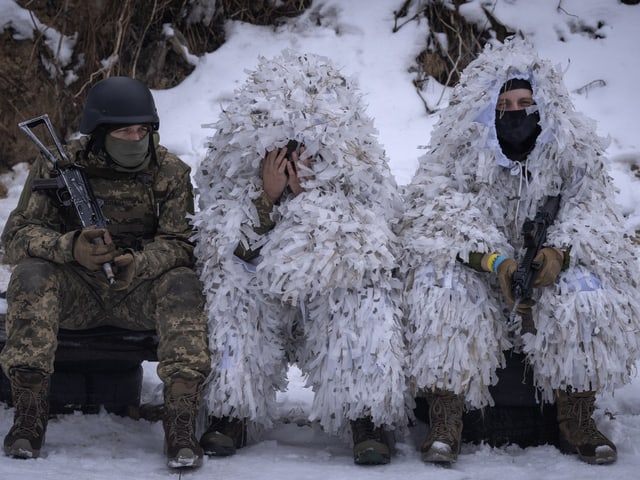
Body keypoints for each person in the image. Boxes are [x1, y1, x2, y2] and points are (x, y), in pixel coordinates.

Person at [399, 38, 640, 465]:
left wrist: (558, 253)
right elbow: (434, 215)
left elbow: (594, 213)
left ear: (543, 104)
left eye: (525, 101)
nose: (514, 112)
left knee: (587, 293)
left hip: (548, 281)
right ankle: (446, 416)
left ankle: (576, 417)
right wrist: (493, 262)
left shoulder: (571, 155)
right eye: (503, 104)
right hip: (484, 280)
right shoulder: (457, 153)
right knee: (440, 289)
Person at [191, 51, 408, 465]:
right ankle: (231, 411)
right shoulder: (232, 171)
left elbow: (375, 243)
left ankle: (366, 417)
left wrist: (312, 201)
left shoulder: (361, 171)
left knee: (363, 294)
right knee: (231, 293)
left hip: (325, 296)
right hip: (261, 292)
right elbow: (218, 243)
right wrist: (266, 200)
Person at [0, 76, 211, 469]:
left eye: (142, 130)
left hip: (138, 293)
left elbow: (182, 243)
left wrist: (140, 263)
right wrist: (70, 247)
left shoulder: (169, 171)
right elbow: (15, 237)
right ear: (99, 133)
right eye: (123, 130)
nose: (134, 138)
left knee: (183, 284)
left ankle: (180, 424)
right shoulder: (62, 166)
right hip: (75, 293)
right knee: (30, 275)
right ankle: (29, 417)